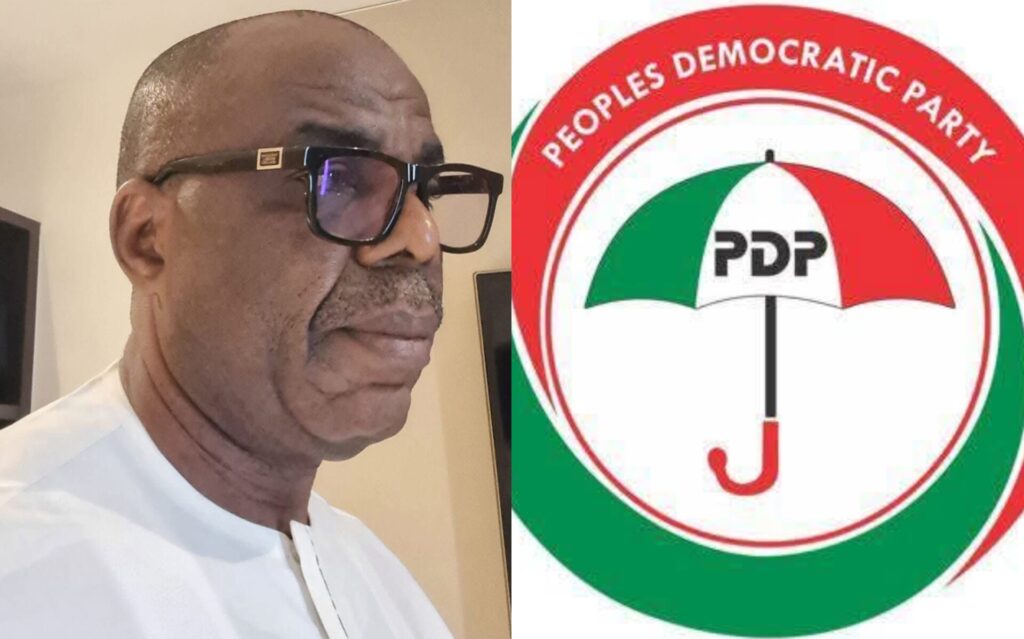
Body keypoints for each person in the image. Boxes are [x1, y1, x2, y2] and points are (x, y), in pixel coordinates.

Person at [0, 9, 503, 638]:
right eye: (339, 179)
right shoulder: (20, 562)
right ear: (147, 239)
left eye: (427, 189)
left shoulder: (376, 577)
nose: (422, 239)